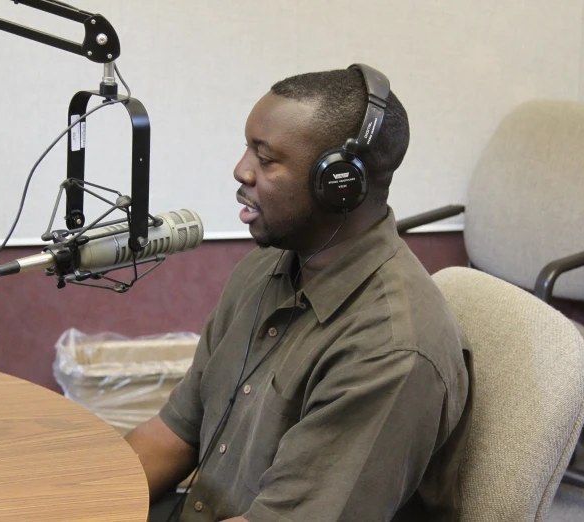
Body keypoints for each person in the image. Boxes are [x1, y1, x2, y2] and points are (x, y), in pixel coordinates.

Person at [125, 64, 470, 522]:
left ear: (338, 185)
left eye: (265, 159)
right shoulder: (266, 267)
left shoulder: (390, 351)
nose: (240, 170)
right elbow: (175, 434)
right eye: (248, 148)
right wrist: (73, 499)